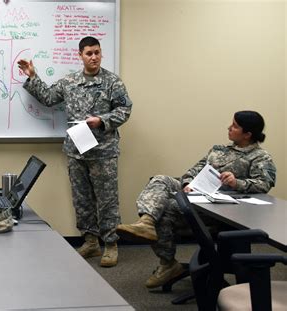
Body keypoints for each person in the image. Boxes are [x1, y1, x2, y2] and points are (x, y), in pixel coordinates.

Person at [117, 110, 276, 288]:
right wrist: (187, 183)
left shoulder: (260, 157)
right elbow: (195, 169)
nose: (229, 128)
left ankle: (167, 263)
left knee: (166, 209)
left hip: (220, 207)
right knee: (160, 179)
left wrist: (237, 182)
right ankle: (146, 221)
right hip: (197, 194)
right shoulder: (218, 150)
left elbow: (264, 184)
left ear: (248, 134)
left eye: (235, 126)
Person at [18, 36, 133, 267]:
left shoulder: (113, 82)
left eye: (97, 52)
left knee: (107, 201)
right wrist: (32, 76)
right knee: (82, 199)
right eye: (89, 53)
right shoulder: (69, 81)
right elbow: (49, 98)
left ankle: (110, 244)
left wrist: (101, 120)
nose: (94, 57)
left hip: (103, 152)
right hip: (76, 151)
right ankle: (90, 241)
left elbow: (125, 109)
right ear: (80, 55)